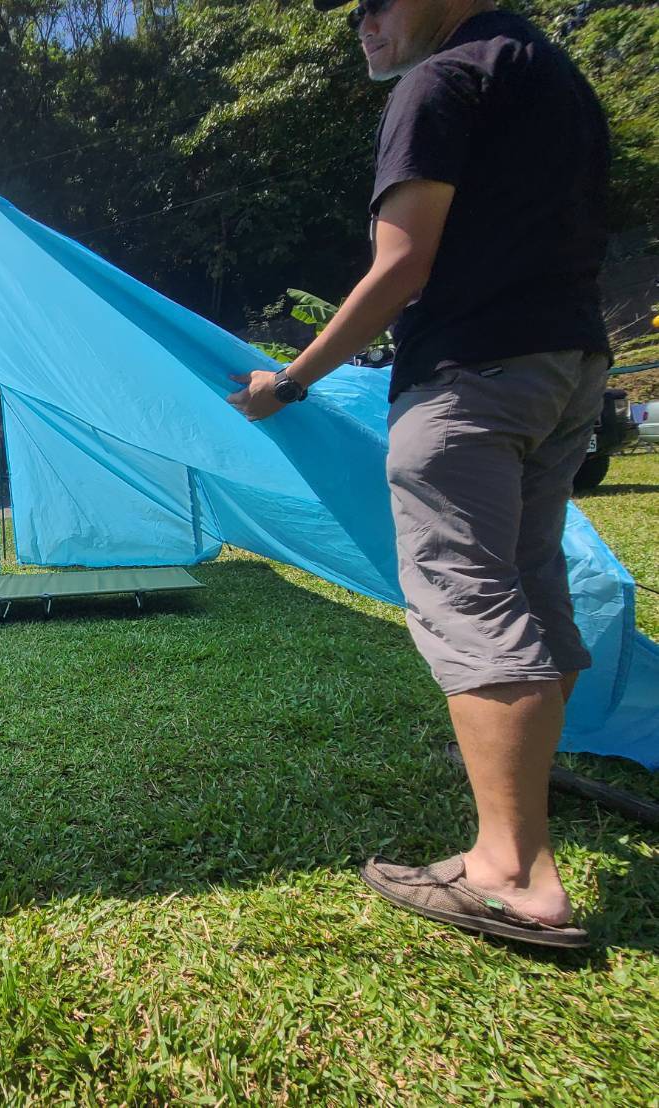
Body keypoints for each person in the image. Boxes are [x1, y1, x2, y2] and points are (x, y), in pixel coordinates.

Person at [227, 0, 610, 948]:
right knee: (529, 579)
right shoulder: (548, 73)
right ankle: (526, 785)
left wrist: (290, 382)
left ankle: (510, 874)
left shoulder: (440, 79)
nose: (361, 22)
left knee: (466, 595)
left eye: (377, 4)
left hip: (470, 375)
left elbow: (402, 266)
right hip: (565, 367)